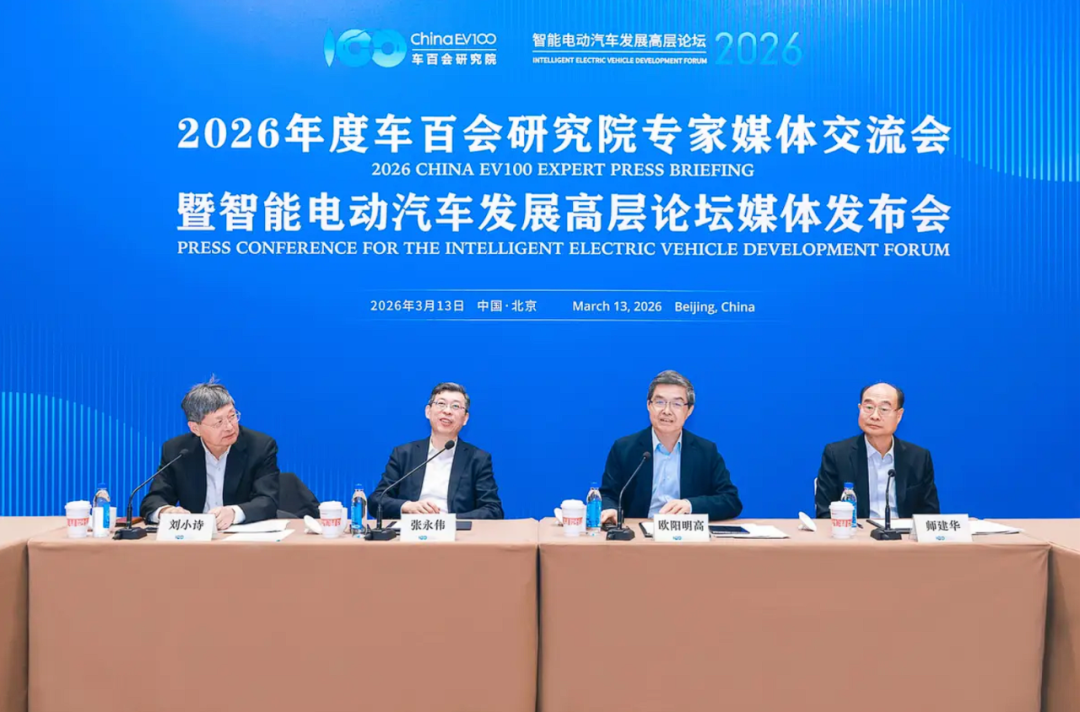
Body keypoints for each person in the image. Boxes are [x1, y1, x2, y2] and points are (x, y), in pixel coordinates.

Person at [600, 370, 742, 523]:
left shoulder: (706, 451)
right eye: (660, 402)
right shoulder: (624, 448)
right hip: (639, 532)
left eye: (676, 404)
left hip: (686, 534)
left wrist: (690, 505)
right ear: (648, 405)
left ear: (689, 410)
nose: (667, 411)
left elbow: (731, 500)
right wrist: (610, 509)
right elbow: (608, 495)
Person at [140, 379, 280, 530]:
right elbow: (153, 500)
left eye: (232, 416)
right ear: (195, 428)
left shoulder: (260, 446)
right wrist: (166, 511)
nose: (229, 427)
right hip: (195, 538)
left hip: (242, 538)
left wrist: (234, 513)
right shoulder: (176, 451)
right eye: (218, 422)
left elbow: (268, 501)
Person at [369, 382, 503, 519]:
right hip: (411, 530)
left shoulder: (477, 459)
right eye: (441, 404)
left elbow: (493, 510)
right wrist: (407, 506)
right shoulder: (404, 454)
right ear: (428, 411)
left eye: (455, 406)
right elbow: (376, 500)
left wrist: (448, 521)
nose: (447, 411)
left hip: (456, 531)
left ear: (465, 418)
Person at [815, 382, 940, 519]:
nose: (874, 416)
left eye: (884, 409)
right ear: (859, 409)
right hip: (856, 531)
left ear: (899, 415)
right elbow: (825, 514)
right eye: (868, 407)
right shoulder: (837, 455)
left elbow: (930, 516)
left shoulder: (919, 458)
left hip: (904, 532)